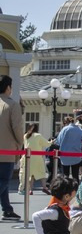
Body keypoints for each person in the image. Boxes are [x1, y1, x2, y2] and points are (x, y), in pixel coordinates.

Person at [0, 75, 23, 221]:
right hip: (6, 150)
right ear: (8, 87)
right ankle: (7, 209)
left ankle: (7, 208)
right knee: (4, 180)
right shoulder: (12, 105)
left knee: (3, 182)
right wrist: (20, 145)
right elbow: (17, 128)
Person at [18, 124, 49, 194]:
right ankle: (44, 187)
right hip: (37, 157)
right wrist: (51, 142)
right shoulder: (38, 136)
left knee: (30, 174)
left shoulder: (25, 136)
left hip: (28, 157)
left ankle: (30, 189)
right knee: (42, 173)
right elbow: (46, 144)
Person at [56, 116, 82, 180]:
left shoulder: (64, 129)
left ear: (65, 122)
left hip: (65, 154)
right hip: (77, 154)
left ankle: (66, 189)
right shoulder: (80, 129)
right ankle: (76, 189)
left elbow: (58, 141)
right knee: (75, 175)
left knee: (65, 175)